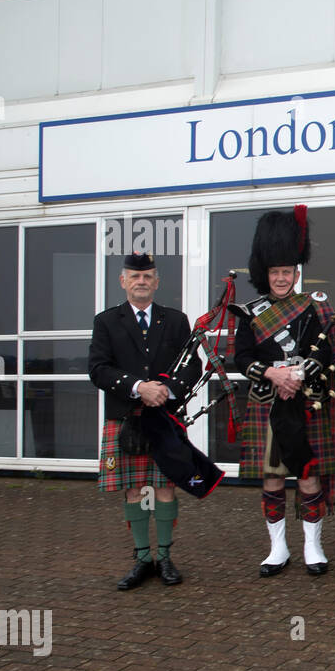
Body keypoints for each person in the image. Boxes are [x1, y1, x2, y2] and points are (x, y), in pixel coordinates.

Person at [233, 206, 335, 578]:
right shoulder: (251, 313)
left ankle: (313, 547)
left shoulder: (314, 307)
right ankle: (277, 548)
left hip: (307, 402)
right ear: (264, 273)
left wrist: (299, 374)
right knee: (272, 477)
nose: (281, 278)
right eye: (275, 272)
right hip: (269, 403)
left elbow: (328, 350)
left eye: (287, 272)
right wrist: (272, 373)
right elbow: (242, 358)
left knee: (308, 475)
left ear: (296, 273)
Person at [88, 251, 201, 589]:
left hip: (164, 415)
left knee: (166, 486)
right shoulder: (106, 321)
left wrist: (167, 389)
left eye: (148, 276)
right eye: (135, 277)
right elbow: (98, 369)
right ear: (123, 281)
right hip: (126, 417)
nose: (141, 281)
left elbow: (192, 365)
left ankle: (164, 557)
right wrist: (139, 387)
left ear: (156, 282)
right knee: (134, 488)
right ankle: (141, 559)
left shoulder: (176, 320)